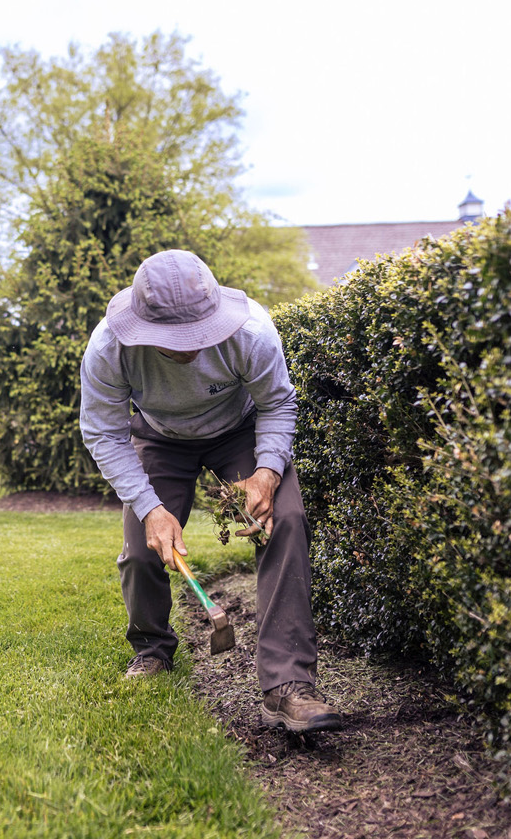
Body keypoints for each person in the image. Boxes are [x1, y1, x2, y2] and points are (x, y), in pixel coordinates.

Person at [79, 249, 342, 732]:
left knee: (284, 520)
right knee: (143, 550)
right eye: (171, 339)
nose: (187, 346)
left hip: (239, 431)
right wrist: (150, 507)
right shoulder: (108, 348)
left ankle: (288, 685)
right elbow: (104, 433)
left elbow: (278, 404)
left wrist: (267, 470)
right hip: (160, 437)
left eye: (196, 332)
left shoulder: (252, 331)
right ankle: (153, 651)